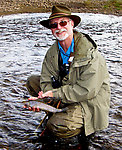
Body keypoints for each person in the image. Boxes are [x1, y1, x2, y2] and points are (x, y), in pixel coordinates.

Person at [25, 5, 110, 148]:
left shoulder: (90, 54)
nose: (59, 27)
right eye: (54, 25)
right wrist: (44, 95)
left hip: (88, 102)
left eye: (63, 22)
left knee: (56, 126)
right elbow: (45, 79)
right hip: (66, 94)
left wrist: (54, 93)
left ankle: (75, 128)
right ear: (51, 29)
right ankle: (58, 111)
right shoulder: (52, 53)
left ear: (72, 24)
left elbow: (87, 90)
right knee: (32, 81)